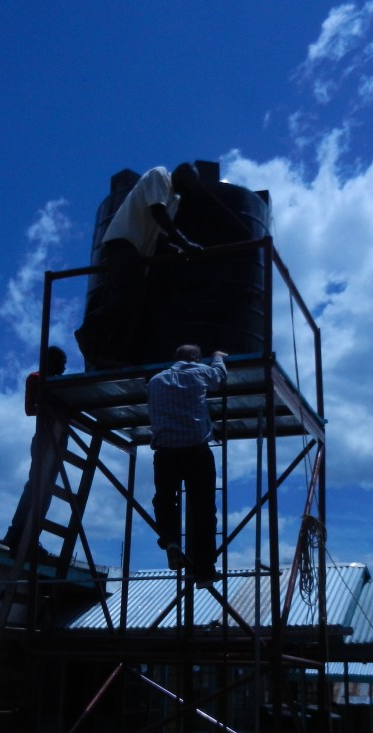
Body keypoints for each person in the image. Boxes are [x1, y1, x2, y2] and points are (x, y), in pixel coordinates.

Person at [76, 163, 204, 369]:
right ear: (179, 174)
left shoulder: (175, 199)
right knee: (129, 296)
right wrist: (186, 243)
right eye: (187, 183)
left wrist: (177, 250)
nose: (187, 189)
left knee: (132, 302)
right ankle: (90, 333)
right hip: (123, 242)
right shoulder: (160, 176)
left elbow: (161, 235)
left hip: (138, 253)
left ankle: (112, 353)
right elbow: (158, 213)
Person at [146, 343, 226, 587]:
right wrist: (218, 357)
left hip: (165, 452)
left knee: (164, 501)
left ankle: (171, 542)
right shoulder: (200, 371)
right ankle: (204, 572)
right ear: (195, 358)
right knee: (203, 510)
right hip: (195, 451)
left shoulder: (155, 380)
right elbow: (219, 379)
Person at [3, 345, 68, 559]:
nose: (64, 368)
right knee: (35, 486)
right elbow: (30, 409)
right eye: (61, 363)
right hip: (44, 438)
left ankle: (31, 536)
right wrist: (51, 407)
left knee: (46, 490)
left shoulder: (62, 383)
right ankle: (16, 533)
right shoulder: (36, 378)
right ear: (51, 362)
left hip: (60, 439)